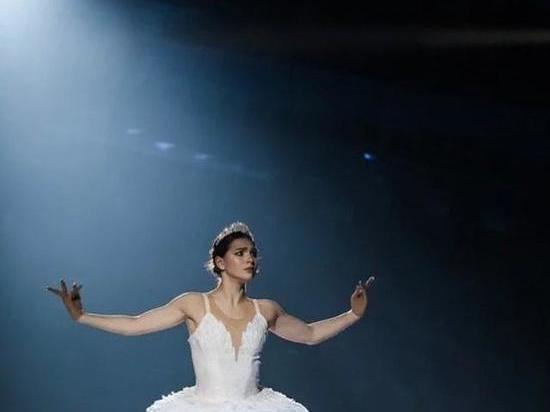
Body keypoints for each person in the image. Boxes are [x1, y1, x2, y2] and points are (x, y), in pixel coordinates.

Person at [47, 221, 374, 411]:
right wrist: (82, 317)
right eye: (240, 253)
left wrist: (353, 314)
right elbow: (135, 325)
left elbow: (310, 334)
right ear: (220, 262)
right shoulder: (193, 304)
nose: (250, 259)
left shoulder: (266, 309)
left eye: (253, 254)